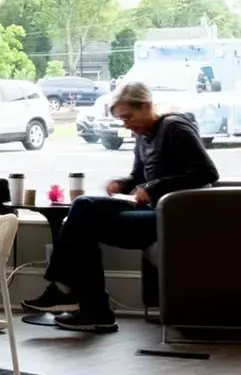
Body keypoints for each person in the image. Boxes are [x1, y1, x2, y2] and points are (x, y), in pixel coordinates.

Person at [23, 81, 219, 333]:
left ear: (147, 106)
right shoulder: (144, 136)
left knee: (84, 218)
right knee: (84, 213)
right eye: (122, 119)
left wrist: (154, 187)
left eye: (128, 116)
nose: (126, 124)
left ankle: (71, 293)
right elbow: (139, 176)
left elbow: (207, 172)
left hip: (176, 218)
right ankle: (89, 307)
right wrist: (122, 184)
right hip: (154, 213)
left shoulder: (175, 128)